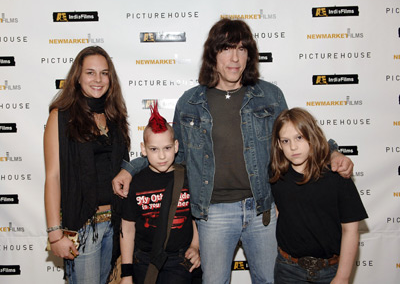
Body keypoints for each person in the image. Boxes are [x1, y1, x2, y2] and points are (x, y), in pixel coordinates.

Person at [112, 18, 354, 283]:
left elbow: (294, 136)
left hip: (263, 209)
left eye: (242, 49)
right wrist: (130, 168)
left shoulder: (269, 95)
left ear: (249, 55)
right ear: (213, 55)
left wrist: (332, 153)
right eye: (226, 48)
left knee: (268, 280)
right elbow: (172, 152)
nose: (235, 57)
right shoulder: (190, 102)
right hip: (213, 211)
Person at [44, 46, 130, 284]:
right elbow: (53, 176)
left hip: (115, 224)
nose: (98, 79)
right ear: (78, 77)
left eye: (104, 73)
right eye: (90, 72)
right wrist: (55, 234)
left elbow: (124, 166)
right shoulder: (61, 117)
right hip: (83, 228)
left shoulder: (115, 117)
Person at [269, 108, 368, 284]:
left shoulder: (337, 174)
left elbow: (350, 230)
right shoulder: (276, 173)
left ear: (311, 136)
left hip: (330, 271)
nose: (293, 146)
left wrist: (343, 277)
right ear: (278, 144)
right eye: (286, 140)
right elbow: (280, 211)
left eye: (299, 137)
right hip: (287, 270)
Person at [119, 103, 201, 284]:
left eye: (167, 148)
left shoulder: (187, 178)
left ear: (176, 146)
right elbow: (127, 228)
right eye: (154, 149)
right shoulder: (136, 182)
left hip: (180, 261)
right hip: (144, 261)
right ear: (143, 149)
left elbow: (197, 216)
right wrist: (126, 273)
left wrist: (196, 245)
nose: (162, 156)